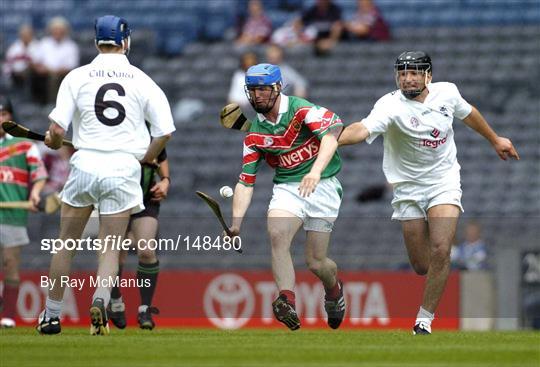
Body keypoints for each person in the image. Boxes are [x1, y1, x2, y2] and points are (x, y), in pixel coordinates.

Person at [339, 51, 519, 335]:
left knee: (441, 248)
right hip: (407, 189)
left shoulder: (447, 93)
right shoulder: (389, 105)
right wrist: (330, 141)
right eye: (402, 73)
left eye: (414, 73)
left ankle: (424, 320)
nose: (407, 79)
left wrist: (495, 139)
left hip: (443, 182)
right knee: (422, 265)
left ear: (428, 76)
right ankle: (425, 302)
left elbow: (469, 113)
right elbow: (361, 130)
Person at [37, 15, 175, 335]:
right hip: (124, 168)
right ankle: (100, 300)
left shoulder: (77, 76)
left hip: (84, 164)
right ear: (125, 41)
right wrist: (146, 160)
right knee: (111, 247)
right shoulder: (142, 79)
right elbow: (164, 132)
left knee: (65, 244)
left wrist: (53, 139)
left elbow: (57, 132)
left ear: (96, 42)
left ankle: (51, 315)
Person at [228, 63, 345, 331]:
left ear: (278, 87)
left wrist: (315, 172)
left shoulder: (301, 109)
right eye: (253, 90)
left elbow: (332, 135)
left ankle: (334, 290)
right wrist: (236, 223)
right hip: (287, 188)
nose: (257, 96)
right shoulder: (254, 135)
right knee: (277, 234)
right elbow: (245, 183)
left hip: (323, 185)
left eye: (263, 89)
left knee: (316, 263)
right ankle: (286, 300)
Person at [108, 149, 170, 330]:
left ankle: (145, 309)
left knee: (146, 251)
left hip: (145, 199)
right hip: (115, 197)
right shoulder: (115, 127)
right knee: (116, 255)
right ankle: (115, 299)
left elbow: (162, 156)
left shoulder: (151, 131)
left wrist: (165, 181)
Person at [0, 96, 48, 328]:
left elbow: (38, 175)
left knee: (10, 264)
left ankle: (7, 316)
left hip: (12, 216)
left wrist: (35, 194)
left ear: (11, 118)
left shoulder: (23, 145)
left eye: (3, 114)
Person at [31, 17, 79, 105]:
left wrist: (54, 71)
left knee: (54, 78)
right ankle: (37, 103)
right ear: (51, 31)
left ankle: (53, 104)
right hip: (43, 75)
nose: (57, 32)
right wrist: (40, 68)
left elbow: (71, 66)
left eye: (60, 30)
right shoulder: (44, 43)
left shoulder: (71, 46)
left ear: (65, 31)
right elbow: (35, 61)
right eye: (55, 30)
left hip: (62, 75)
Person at [3, 25, 40, 90]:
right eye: (23, 35)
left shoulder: (37, 45)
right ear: (20, 35)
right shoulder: (14, 47)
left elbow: (38, 62)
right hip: (15, 73)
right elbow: (8, 62)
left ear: (32, 35)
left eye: (27, 34)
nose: (25, 36)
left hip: (33, 73)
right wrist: (9, 73)